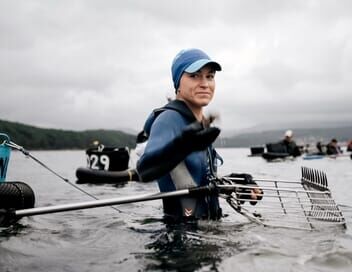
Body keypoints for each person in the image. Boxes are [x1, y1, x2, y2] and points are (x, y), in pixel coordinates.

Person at [136, 48, 261, 223]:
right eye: (194, 75)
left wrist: (235, 182)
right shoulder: (169, 119)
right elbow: (144, 170)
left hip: (207, 231)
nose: (204, 83)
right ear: (178, 82)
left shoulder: (198, 125)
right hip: (180, 238)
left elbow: (199, 179)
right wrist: (183, 146)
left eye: (210, 76)